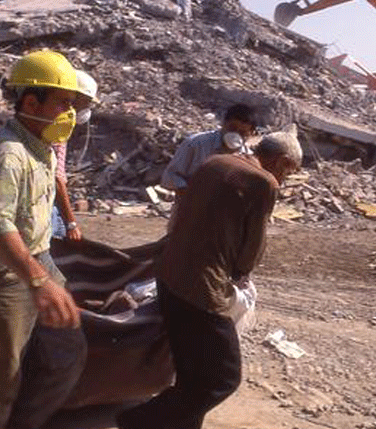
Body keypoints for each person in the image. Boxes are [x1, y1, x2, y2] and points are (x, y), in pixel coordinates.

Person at [116, 130, 303, 429]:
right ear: (280, 161)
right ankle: (137, 419)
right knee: (223, 377)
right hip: (201, 289)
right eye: (288, 172)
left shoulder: (216, 162)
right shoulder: (263, 183)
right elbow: (250, 251)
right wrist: (241, 275)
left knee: (192, 374)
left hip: (169, 274)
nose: (284, 180)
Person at [0, 50, 87, 429]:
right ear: (32, 102)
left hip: (35, 258)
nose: (70, 113)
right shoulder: (7, 155)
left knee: (67, 348)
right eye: (63, 103)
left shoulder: (38, 147)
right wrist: (38, 281)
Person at [160, 103, 257, 229]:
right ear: (223, 124)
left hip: (223, 224)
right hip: (188, 217)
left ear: (251, 134)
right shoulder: (196, 144)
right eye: (232, 129)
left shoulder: (248, 158)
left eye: (243, 133)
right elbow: (170, 176)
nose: (236, 135)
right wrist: (190, 192)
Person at [50, 70, 99, 241]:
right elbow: (57, 179)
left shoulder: (52, 124)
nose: (87, 108)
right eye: (86, 102)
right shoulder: (55, 130)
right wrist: (71, 223)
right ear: (73, 97)